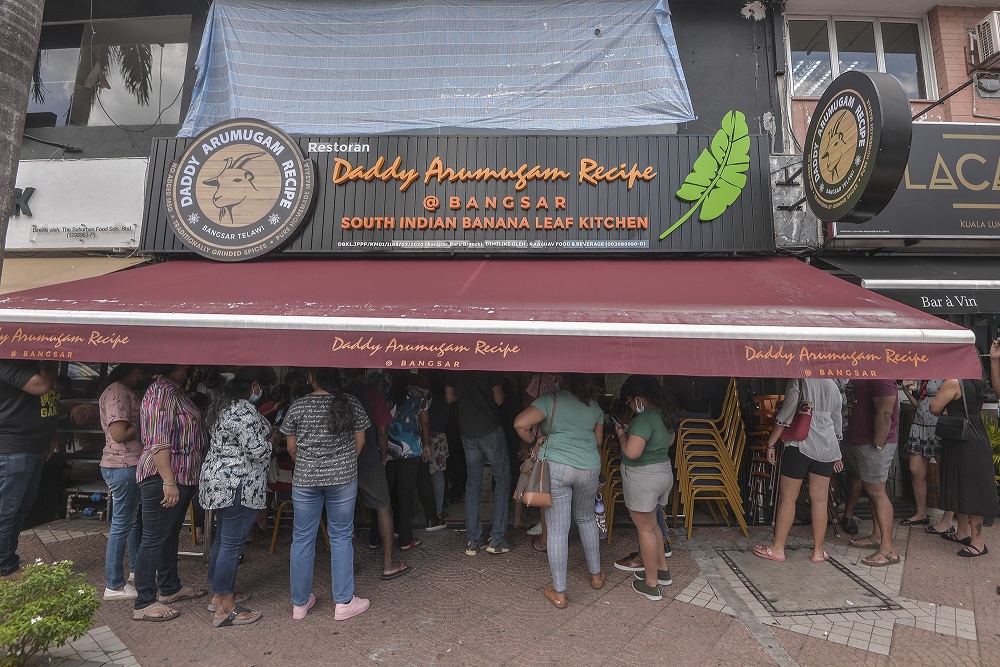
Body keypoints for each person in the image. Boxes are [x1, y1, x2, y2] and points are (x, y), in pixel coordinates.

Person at [280, 368, 371, 621]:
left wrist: (308, 464)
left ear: (313, 377)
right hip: (342, 479)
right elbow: (360, 441)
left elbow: (290, 447)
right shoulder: (350, 402)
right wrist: (344, 465)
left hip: (305, 480)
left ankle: (299, 604)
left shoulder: (298, 405)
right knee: (341, 536)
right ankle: (343, 603)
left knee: (302, 538)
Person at [514, 373, 606, 608]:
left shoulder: (550, 400)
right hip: (588, 468)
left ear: (562, 381)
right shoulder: (594, 405)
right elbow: (598, 442)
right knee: (586, 520)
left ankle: (560, 592)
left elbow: (520, 424)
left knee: (557, 529)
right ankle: (596, 576)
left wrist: (537, 440)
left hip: (557, 468)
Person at [132, 365, 209, 622]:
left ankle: (169, 587)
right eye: (185, 364)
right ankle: (144, 601)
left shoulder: (174, 391)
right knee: (154, 538)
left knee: (167, 535)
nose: (189, 368)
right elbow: (157, 440)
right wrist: (168, 481)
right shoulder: (160, 393)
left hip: (179, 476)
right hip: (163, 476)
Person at [199, 372, 272, 627]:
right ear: (252, 385)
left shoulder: (221, 407)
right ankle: (226, 609)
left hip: (219, 482)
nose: (260, 391)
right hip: (238, 482)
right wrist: (273, 443)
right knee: (232, 544)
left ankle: (218, 595)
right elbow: (258, 450)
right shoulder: (243, 410)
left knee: (223, 538)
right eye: (259, 386)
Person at [752, 378, 843, 564]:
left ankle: (778, 548)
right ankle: (818, 551)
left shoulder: (801, 380)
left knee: (788, 498)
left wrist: (771, 443)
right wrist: (837, 452)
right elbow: (837, 420)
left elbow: (786, 413)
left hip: (800, 444)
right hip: (826, 446)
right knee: (820, 499)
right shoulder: (833, 385)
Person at [342, 369, 411, 581]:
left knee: (343, 514)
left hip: (341, 461)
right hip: (369, 459)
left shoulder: (338, 394)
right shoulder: (371, 394)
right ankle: (389, 564)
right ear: (362, 373)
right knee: (383, 507)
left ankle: (345, 565)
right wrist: (382, 457)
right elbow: (383, 430)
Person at [612, 376, 676, 601]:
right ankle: (662, 570)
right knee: (654, 525)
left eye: (629, 401)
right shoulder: (664, 415)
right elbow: (667, 443)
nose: (629, 406)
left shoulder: (643, 420)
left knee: (646, 530)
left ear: (638, 398)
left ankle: (651, 584)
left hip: (643, 478)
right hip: (663, 474)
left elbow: (631, 453)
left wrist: (622, 436)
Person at [929, 370, 999, 558]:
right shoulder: (977, 381)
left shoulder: (953, 381)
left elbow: (934, 408)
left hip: (963, 439)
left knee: (970, 490)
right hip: (975, 435)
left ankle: (978, 543)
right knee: (964, 486)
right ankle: (961, 532)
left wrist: (946, 408)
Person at [0, 360, 58, 577]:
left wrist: (51, 435)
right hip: (14, 449)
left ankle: (8, 558)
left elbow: (46, 402)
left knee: (21, 508)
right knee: (8, 510)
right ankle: (5, 566)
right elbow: (41, 386)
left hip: (33, 447)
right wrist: (53, 359)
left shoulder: (31, 364)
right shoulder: (7, 363)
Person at [445, 371, 511, 556]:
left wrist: (466, 395)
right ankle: (497, 538)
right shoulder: (490, 366)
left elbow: (449, 398)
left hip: (467, 431)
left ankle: (473, 541)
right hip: (490, 429)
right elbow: (499, 399)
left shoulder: (456, 366)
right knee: (502, 479)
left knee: (473, 482)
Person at [841, 379, 900, 567]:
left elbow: (885, 413)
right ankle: (876, 536)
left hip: (873, 444)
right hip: (860, 440)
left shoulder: (881, 375)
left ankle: (888, 550)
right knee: (872, 490)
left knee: (877, 492)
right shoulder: (864, 371)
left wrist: (877, 445)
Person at [99, 364, 146, 599]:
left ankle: (136, 572)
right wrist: (146, 424)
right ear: (126, 370)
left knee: (130, 521)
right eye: (138, 371)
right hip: (122, 464)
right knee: (122, 524)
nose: (140, 376)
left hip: (126, 464)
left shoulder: (123, 391)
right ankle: (114, 584)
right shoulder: (118, 393)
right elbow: (119, 434)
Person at [899, 380, 954, 532]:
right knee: (915, 469)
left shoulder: (946, 374)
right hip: (920, 426)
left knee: (947, 474)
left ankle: (948, 519)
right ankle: (921, 513)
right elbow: (920, 405)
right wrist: (906, 392)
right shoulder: (923, 374)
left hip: (940, 427)